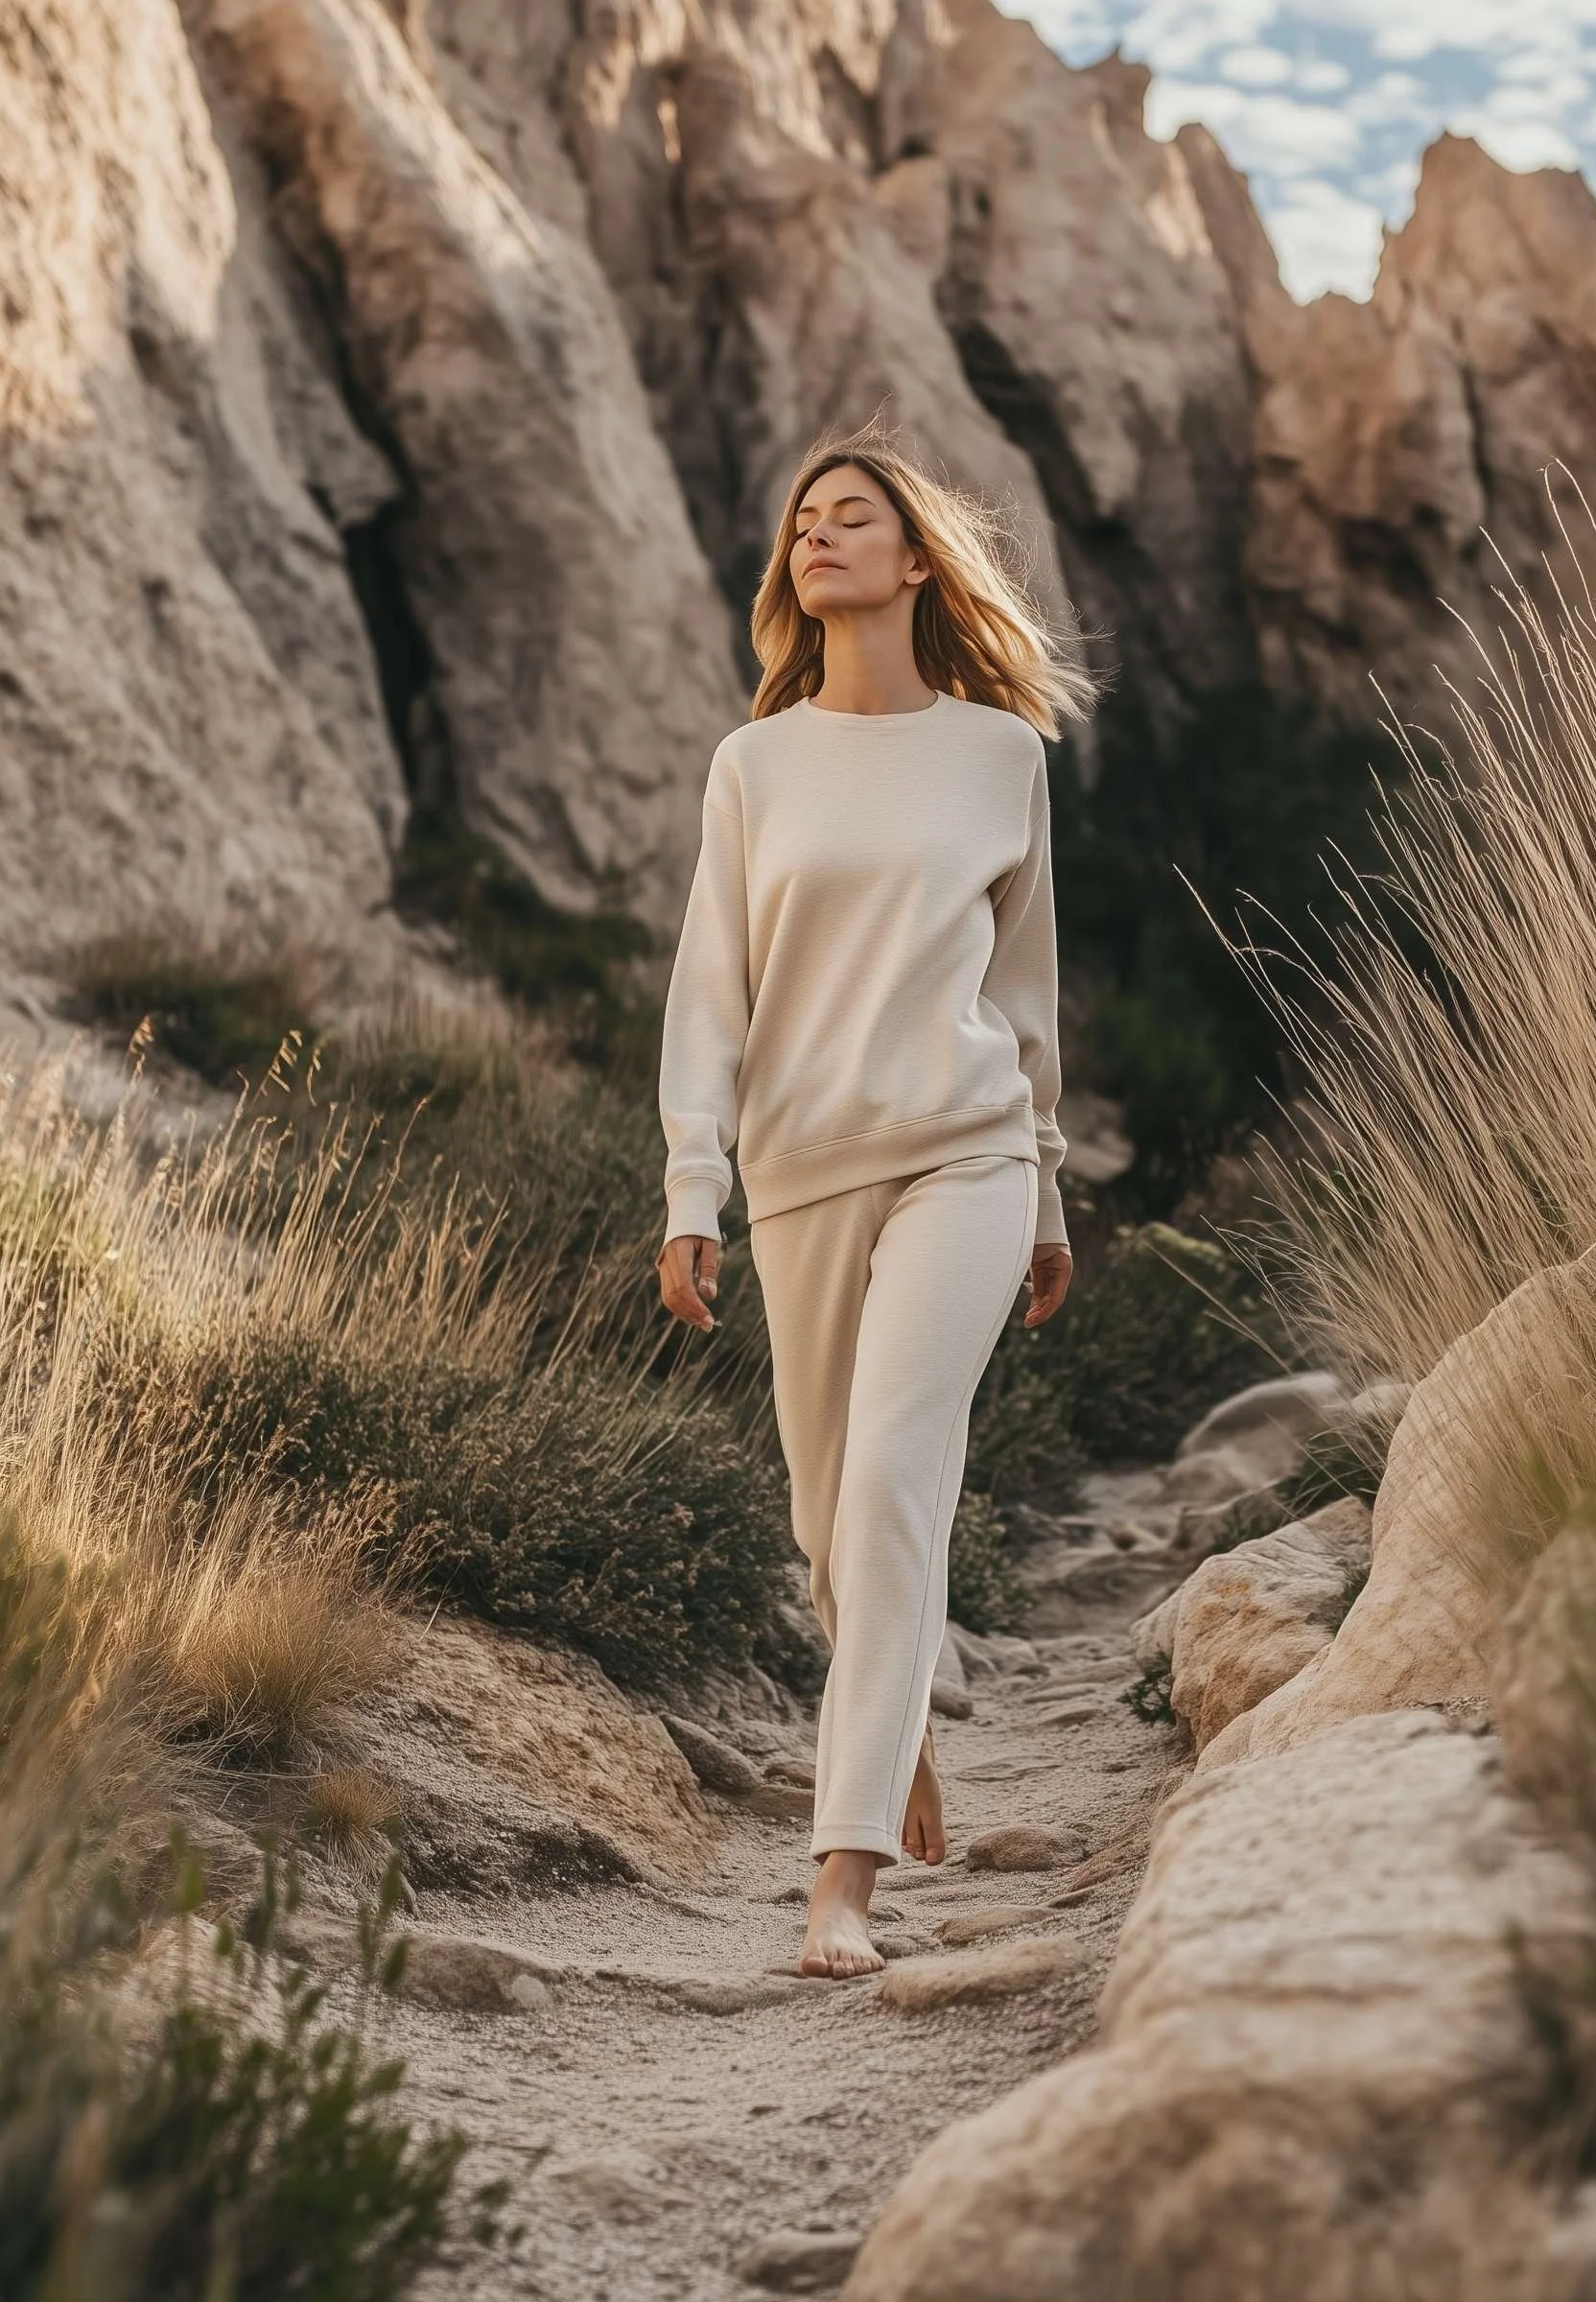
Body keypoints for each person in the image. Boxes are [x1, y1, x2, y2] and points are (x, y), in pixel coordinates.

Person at [653, 417, 1099, 1978]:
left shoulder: (1000, 757)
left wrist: (1046, 1196)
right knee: (825, 1521)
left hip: (967, 1152)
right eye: (803, 521)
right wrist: (691, 1184)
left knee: (896, 1482)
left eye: (850, 516)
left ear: (918, 560)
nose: (816, 534)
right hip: (798, 1169)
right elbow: (709, 992)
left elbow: (1026, 999)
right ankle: (893, 1724)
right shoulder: (755, 766)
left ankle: (840, 1884)